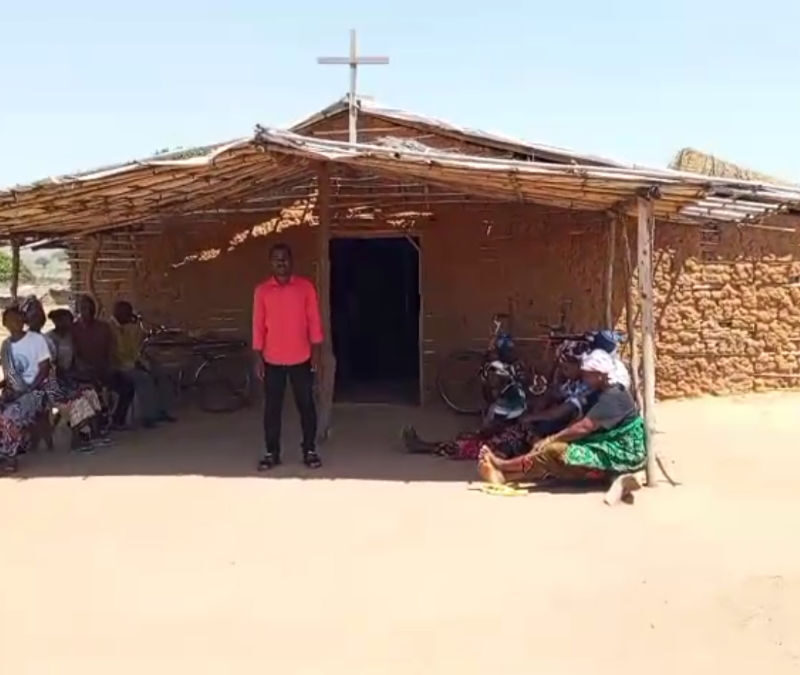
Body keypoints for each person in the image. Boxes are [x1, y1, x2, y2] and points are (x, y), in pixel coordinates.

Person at [478, 349, 645, 487]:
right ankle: (505, 476)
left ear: (600, 375)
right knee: (550, 451)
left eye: (588, 375)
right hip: (609, 443)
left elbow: (584, 427)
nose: (584, 378)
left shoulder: (614, 396)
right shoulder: (602, 391)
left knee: (553, 450)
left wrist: (551, 439)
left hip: (624, 453)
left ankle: (502, 466)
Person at [252, 243, 323, 470]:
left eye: (284, 258)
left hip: (301, 357)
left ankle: (309, 450)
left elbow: (314, 321)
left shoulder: (305, 288)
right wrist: (257, 356)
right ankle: (272, 453)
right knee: (272, 409)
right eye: (276, 259)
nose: (281, 263)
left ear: (291, 261)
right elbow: (258, 325)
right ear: (270, 263)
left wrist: (317, 353)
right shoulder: (262, 291)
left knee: (306, 406)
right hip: (272, 359)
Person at [20, 297, 104, 451]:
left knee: (85, 393)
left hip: (50, 383)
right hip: (35, 387)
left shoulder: (45, 340)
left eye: (40, 315)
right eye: (33, 315)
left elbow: (54, 368)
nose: (38, 318)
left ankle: (87, 437)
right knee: (75, 398)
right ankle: (78, 440)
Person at [0, 307, 51, 473]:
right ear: (4, 324)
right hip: (13, 392)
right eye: (10, 320)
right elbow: (9, 377)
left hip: (36, 391)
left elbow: (45, 370)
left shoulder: (37, 340)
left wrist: (28, 389)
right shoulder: (5, 346)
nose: (15, 323)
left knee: (9, 417)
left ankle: (10, 459)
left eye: (18, 319)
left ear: (24, 320)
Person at [71, 295, 133, 430]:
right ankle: (98, 422)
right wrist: (84, 368)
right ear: (78, 310)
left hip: (104, 369)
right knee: (93, 389)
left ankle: (117, 420)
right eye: (83, 307)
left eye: (89, 307)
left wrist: (110, 366)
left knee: (127, 387)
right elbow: (74, 354)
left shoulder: (103, 327)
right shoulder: (73, 329)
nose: (87, 310)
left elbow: (111, 350)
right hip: (83, 372)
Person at [110, 300, 174, 428]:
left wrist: (141, 361)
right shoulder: (109, 328)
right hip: (119, 367)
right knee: (144, 379)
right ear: (119, 313)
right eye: (127, 314)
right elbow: (115, 354)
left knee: (161, 373)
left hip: (131, 362)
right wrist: (134, 364)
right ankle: (148, 416)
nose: (129, 317)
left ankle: (161, 410)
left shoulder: (126, 327)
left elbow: (133, 349)